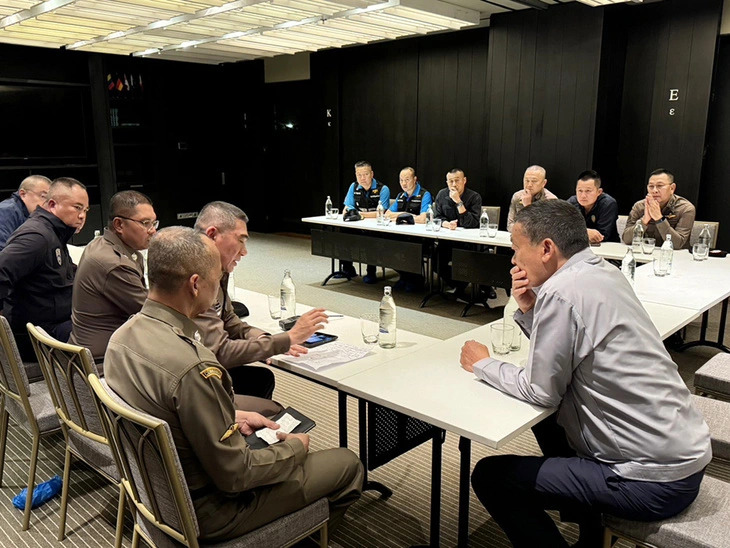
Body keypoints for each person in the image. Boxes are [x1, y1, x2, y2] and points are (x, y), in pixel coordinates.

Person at [459, 200, 710, 547]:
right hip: (683, 456)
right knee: (552, 423)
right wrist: (532, 308)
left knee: (491, 477)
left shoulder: (562, 293)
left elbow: (540, 390)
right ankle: (591, 535)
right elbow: (571, 350)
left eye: (517, 249)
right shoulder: (603, 271)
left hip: (651, 481)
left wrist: (481, 363)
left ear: (547, 248)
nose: (514, 260)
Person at [105, 226, 363, 543]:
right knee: (347, 464)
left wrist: (230, 415)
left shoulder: (120, 339)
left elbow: (166, 413)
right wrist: (295, 449)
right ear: (195, 285)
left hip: (156, 494)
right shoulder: (194, 367)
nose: (219, 289)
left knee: (270, 432)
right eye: (217, 279)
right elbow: (236, 475)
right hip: (210, 511)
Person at [194, 201, 328, 410]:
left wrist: (265, 339)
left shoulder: (218, 269)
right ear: (212, 235)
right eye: (240, 240)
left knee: (261, 379)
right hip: (195, 379)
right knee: (276, 412)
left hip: (204, 365)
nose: (245, 252)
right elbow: (222, 352)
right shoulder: (196, 279)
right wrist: (287, 339)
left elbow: (228, 319)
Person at [0, 177, 88, 360]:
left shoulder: (54, 233)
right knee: (111, 335)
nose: (82, 216)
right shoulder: (37, 236)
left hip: (51, 325)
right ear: (53, 205)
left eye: (85, 210)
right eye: (77, 208)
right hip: (37, 335)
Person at [69, 191, 157, 366]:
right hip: (101, 363)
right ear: (119, 225)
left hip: (98, 352)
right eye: (145, 223)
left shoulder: (101, 244)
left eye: (154, 222)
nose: (152, 230)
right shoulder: (115, 264)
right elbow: (153, 313)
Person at [340, 160, 390, 283]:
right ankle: (347, 269)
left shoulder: (383, 189)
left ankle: (371, 272)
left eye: (365, 174)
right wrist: (354, 213)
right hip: (358, 226)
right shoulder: (353, 186)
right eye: (359, 175)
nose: (362, 178)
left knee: (371, 238)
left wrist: (360, 215)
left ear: (372, 174)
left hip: (377, 229)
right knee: (342, 233)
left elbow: (381, 213)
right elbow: (347, 208)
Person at [622, 168, 695, 249]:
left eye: (660, 186)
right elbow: (626, 239)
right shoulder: (639, 206)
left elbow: (677, 244)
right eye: (651, 186)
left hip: (675, 257)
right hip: (644, 255)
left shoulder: (686, 208)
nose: (654, 190)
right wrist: (644, 221)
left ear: (672, 188)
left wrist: (659, 219)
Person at [0, 175, 51, 250]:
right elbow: (3, 251)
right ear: (23, 194)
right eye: (43, 196)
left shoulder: (36, 215)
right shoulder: (5, 211)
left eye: (50, 199)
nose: (47, 203)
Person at [567, 170, 619, 243]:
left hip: (607, 246)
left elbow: (601, 235)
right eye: (580, 191)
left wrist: (575, 232)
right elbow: (561, 228)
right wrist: (585, 232)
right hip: (578, 245)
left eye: (588, 191)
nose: (583, 196)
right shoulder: (572, 202)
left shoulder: (608, 204)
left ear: (599, 192)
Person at [506, 165, 557, 232]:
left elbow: (544, 230)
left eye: (534, 181)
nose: (529, 185)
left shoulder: (550, 200)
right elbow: (510, 225)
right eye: (526, 180)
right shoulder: (517, 196)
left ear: (544, 183)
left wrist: (528, 206)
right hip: (519, 236)